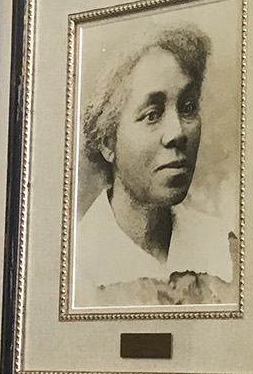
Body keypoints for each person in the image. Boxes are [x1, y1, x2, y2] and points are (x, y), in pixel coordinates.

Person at [72, 20, 236, 307]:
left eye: (187, 108)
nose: (177, 133)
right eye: (152, 114)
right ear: (108, 142)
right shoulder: (77, 263)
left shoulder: (223, 248)